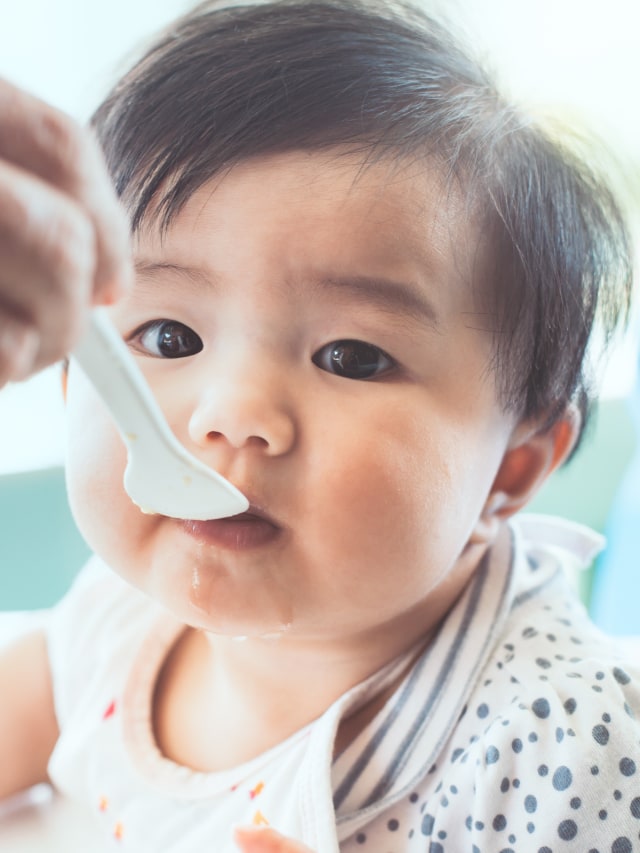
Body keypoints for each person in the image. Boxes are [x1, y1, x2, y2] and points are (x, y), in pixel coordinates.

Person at [0, 1, 638, 851]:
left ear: (509, 472)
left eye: (351, 357)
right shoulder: (120, 613)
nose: (233, 414)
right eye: (168, 337)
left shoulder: (560, 741)